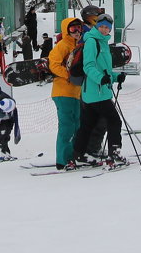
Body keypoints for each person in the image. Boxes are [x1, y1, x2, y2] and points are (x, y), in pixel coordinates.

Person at [67, 14, 127, 169]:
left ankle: (79, 155)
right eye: (101, 26)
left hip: (97, 91)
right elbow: (89, 66)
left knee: (88, 124)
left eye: (107, 27)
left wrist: (115, 76)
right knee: (114, 120)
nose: (104, 29)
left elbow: (103, 69)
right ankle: (114, 153)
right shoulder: (92, 42)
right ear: (96, 26)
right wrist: (101, 79)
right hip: (96, 92)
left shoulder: (102, 42)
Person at [48, 17, 84, 170]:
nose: (76, 32)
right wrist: (69, 75)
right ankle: (63, 159)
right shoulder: (62, 45)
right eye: (72, 29)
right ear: (66, 31)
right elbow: (54, 64)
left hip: (75, 92)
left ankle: (72, 156)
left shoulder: (78, 45)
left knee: (77, 125)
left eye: (78, 28)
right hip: (63, 92)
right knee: (67, 126)